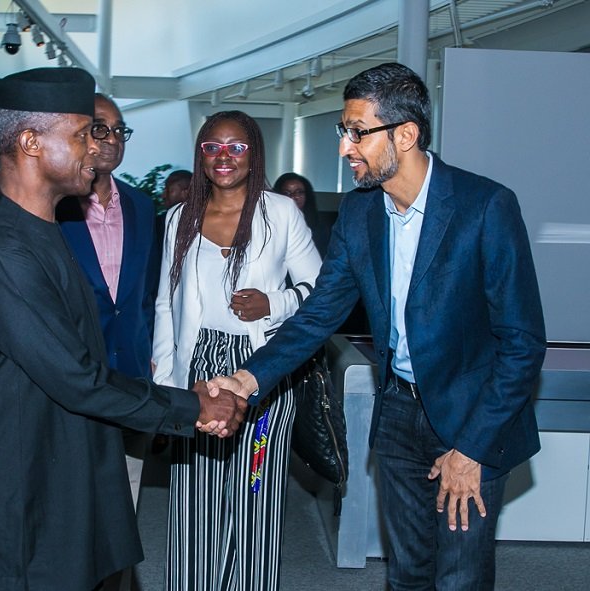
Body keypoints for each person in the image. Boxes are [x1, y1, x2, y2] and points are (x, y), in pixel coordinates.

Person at [211, 63, 546, 591]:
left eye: (357, 131)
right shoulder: (361, 213)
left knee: (459, 576)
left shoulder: (485, 207)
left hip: (471, 419)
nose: (346, 148)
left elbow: (523, 344)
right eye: (344, 132)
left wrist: (474, 448)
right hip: (397, 417)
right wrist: (247, 380)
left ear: (406, 134)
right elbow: (320, 312)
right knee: (407, 573)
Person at [0, 67, 246, 591]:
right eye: (83, 133)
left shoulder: (41, 229)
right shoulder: (5, 250)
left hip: (67, 456)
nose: (97, 148)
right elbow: (76, 378)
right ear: (31, 142)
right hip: (22, 477)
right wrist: (192, 406)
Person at [152, 110, 322, 591]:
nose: (224, 156)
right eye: (213, 146)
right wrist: (168, 382)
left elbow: (322, 290)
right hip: (198, 367)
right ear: (201, 154)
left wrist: (275, 303)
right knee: (193, 497)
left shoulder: (280, 213)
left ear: (254, 153)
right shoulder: (177, 219)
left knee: (255, 493)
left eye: (236, 146)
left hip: (263, 373)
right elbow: (166, 302)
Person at [56, 93, 158, 510]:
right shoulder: (54, 207)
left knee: (123, 507)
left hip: (131, 377)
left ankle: (115, 580)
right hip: (70, 377)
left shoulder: (141, 205)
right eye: (100, 128)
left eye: (119, 131)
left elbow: (147, 296)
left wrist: (152, 356)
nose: (112, 140)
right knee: (71, 507)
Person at [272, 172, 330, 255]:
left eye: (299, 192)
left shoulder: (320, 227)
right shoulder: (268, 225)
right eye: (286, 193)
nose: (293, 197)